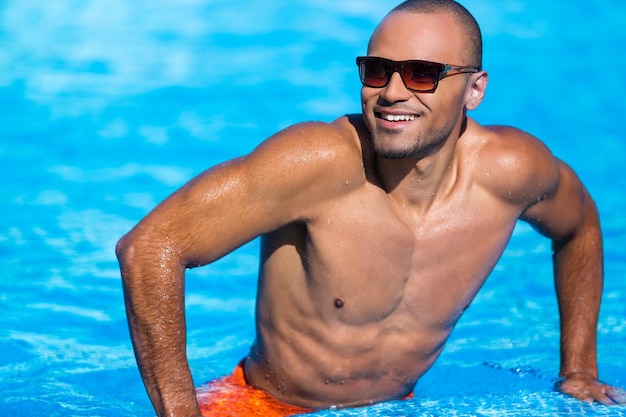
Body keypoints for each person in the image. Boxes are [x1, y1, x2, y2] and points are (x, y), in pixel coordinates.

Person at [116, 0, 626, 415]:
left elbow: (579, 226)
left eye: (423, 74)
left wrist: (579, 369)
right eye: (377, 71)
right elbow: (150, 246)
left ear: (474, 90)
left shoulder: (512, 173)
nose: (392, 93)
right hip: (264, 404)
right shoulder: (316, 164)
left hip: (400, 406)